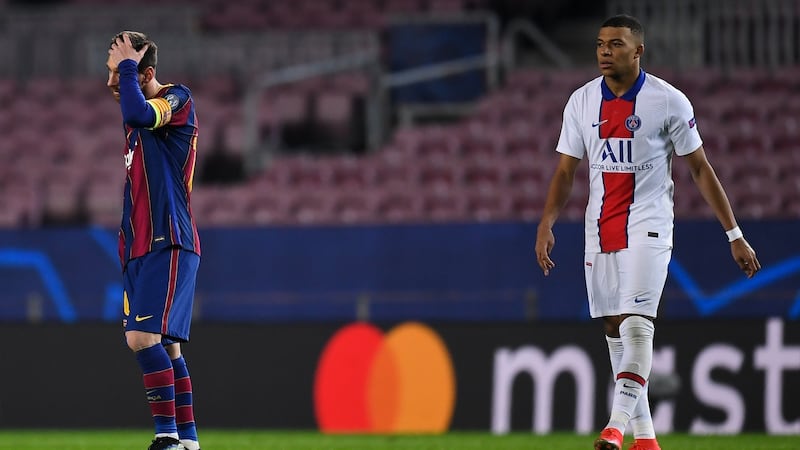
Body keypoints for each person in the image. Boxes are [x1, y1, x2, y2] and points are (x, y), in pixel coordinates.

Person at [534, 14, 761, 450]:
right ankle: (647, 441)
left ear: (638, 51)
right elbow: (565, 170)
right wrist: (546, 221)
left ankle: (614, 427)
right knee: (615, 330)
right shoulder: (581, 102)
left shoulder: (668, 101)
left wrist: (733, 233)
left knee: (638, 324)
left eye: (616, 44)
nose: (604, 51)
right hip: (599, 231)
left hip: (649, 226)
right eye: (600, 43)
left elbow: (699, 168)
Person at [107, 31, 202, 450]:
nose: (112, 83)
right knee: (168, 346)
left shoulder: (178, 98)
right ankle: (188, 440)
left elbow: (140, 112)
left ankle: (166, 439)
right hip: (142, 246)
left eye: (119, 73)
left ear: (145, 73)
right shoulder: (134, 129)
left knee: (141, 338)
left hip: (168, 238)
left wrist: (128, 65)